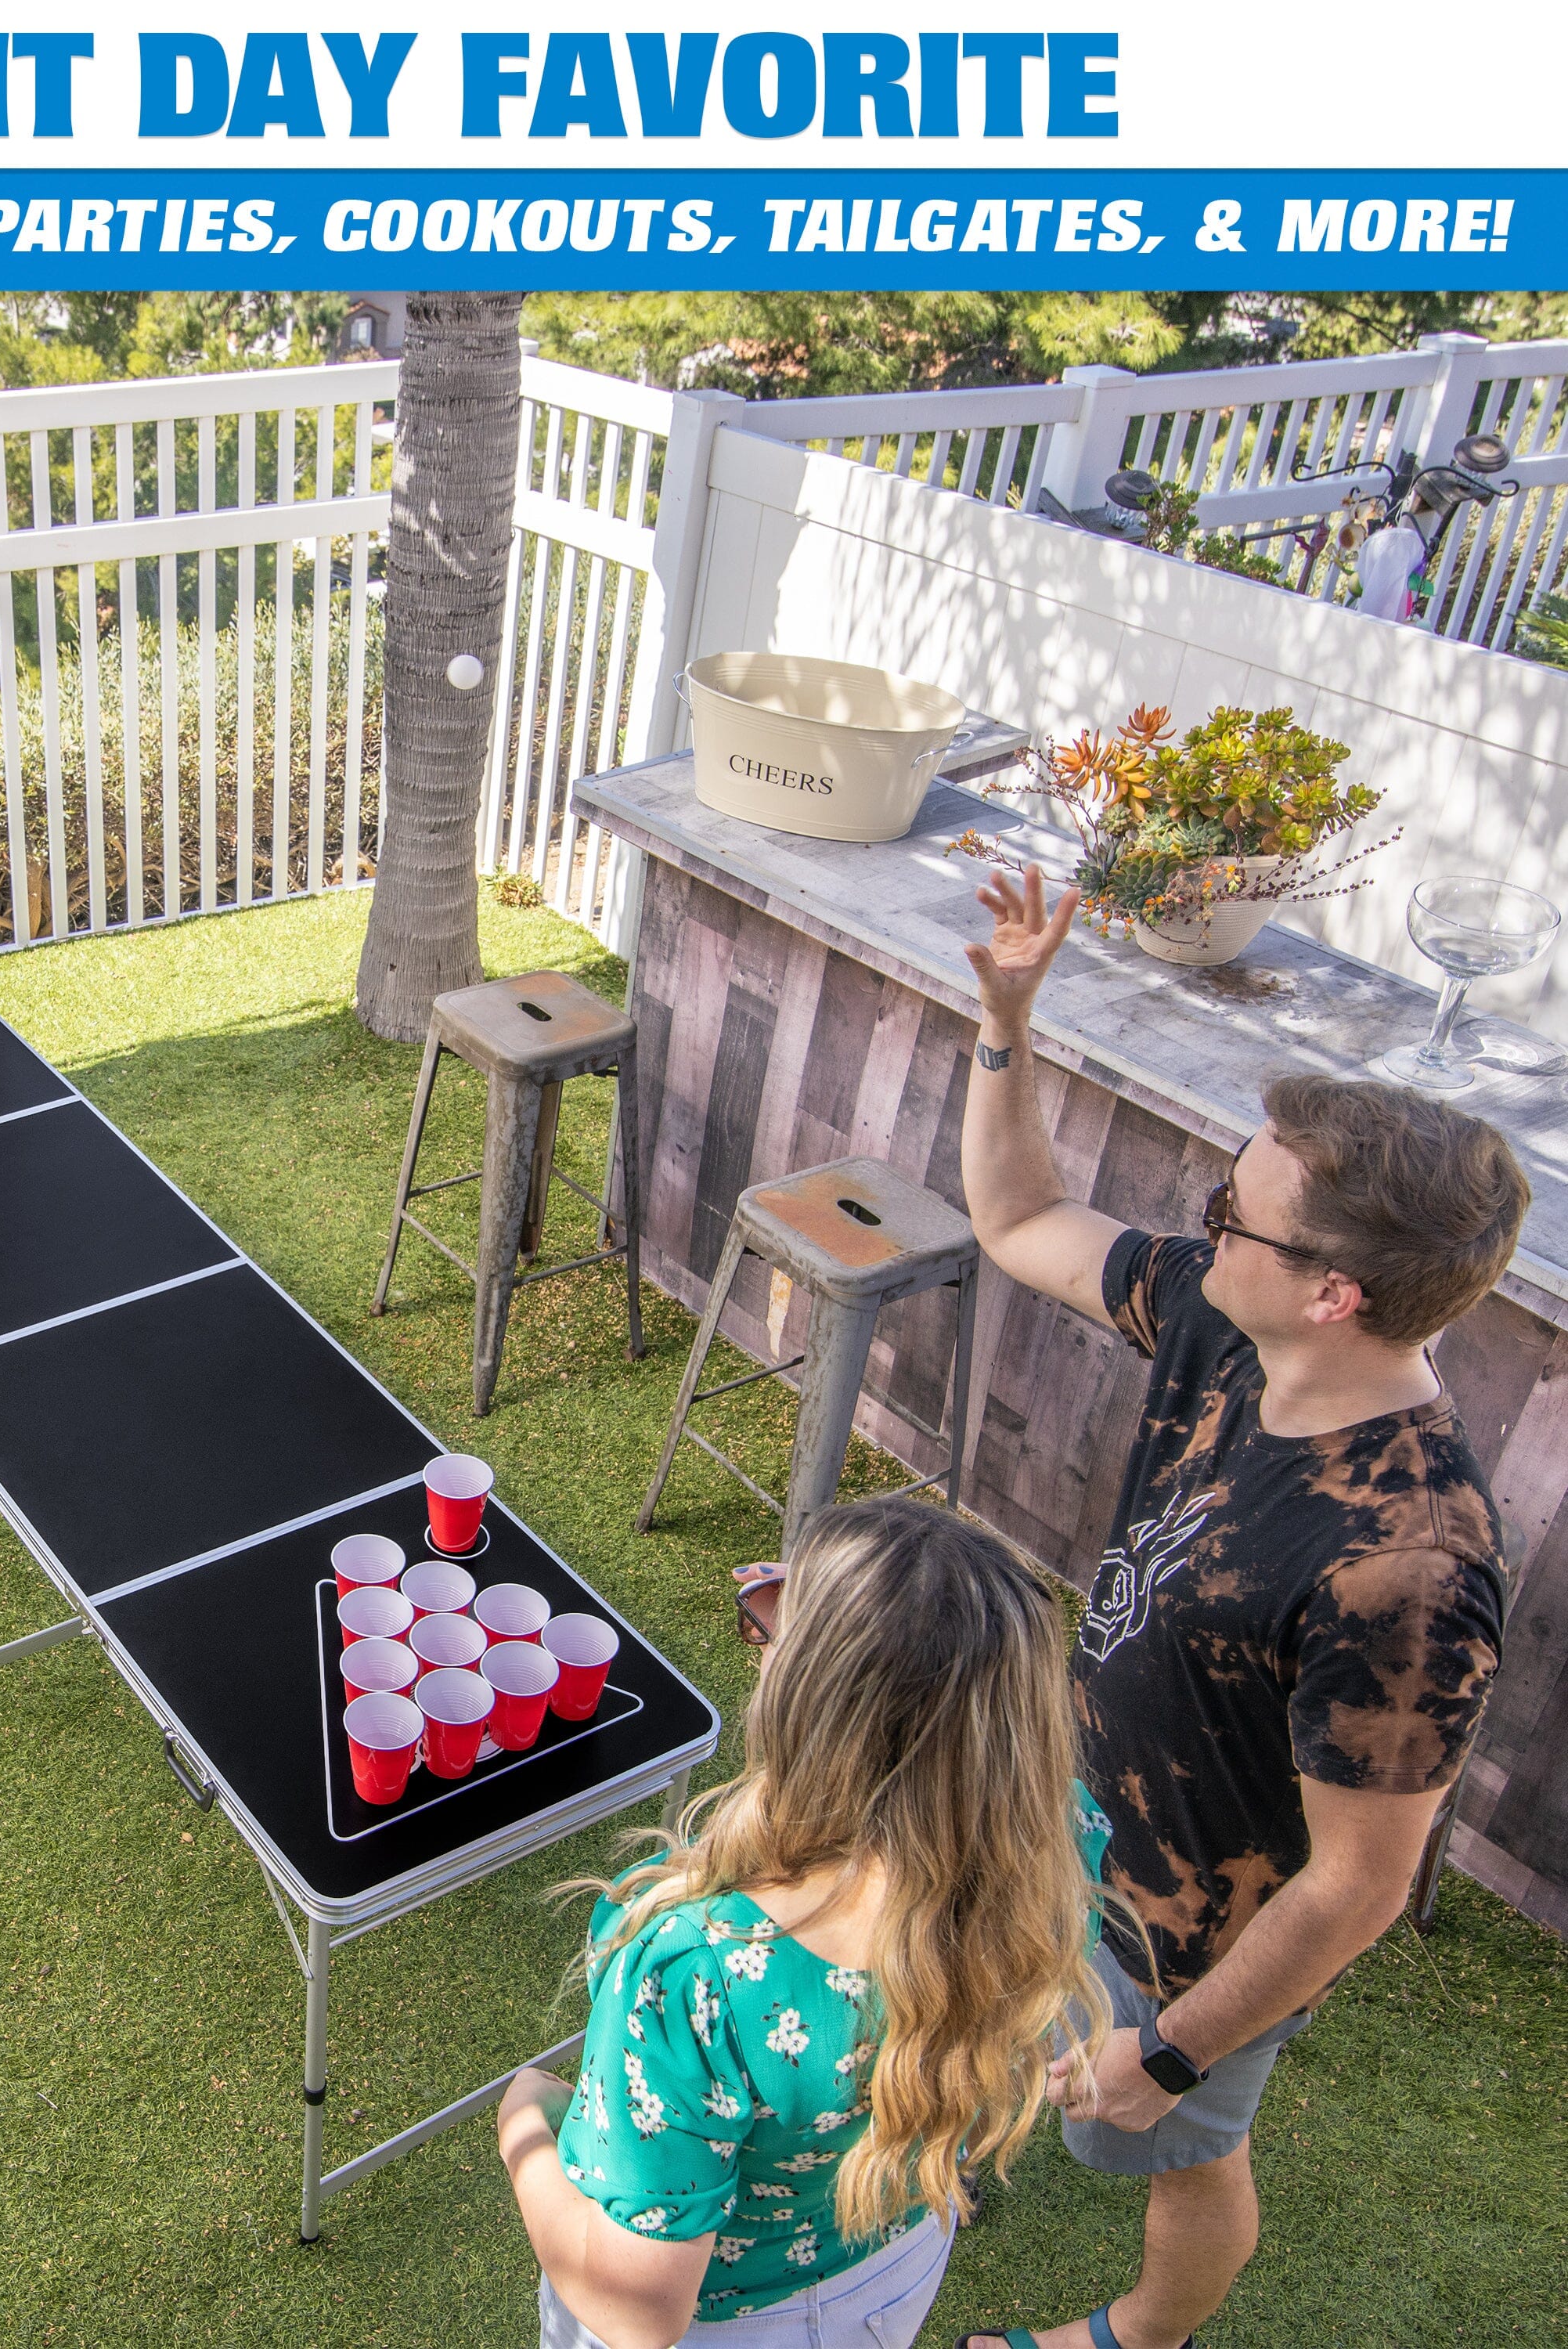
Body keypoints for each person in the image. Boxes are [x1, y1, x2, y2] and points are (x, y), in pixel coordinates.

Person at [951, 864, 1527, 2349]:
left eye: (1232, 1212)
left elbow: (1357, 1886)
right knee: (993, 2001)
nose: (1202, 1231)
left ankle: (1145, 2334)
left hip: (1198, 1945)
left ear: (1335, 1291)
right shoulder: (1225, 1315)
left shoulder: (1409, 1566)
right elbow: (1021, 1222)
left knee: (1171, 2154)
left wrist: (1186, 2056)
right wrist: (1007, 1022)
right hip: (1073, 1821)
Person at [499, 1496, 1118, 2349]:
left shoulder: (697, 1972)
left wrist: (524, 2128)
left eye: (781, 1626)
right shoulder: (1062, 1840)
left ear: (814, 1699)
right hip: (890, 2267)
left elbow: (636, 2309)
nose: (760, 1627)